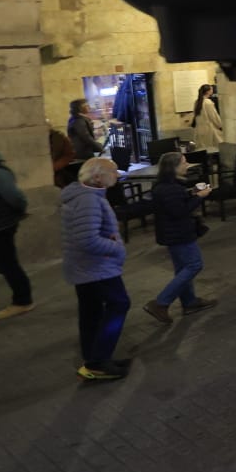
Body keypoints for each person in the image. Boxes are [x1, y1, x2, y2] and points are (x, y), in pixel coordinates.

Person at [61, 157, 130, 381]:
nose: (117, 175)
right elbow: (87, 239)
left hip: (86, 266)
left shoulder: (85, 195)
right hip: (96, 266)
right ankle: (99, 360)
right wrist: (117, 247)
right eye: (113, 171)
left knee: (91, 311)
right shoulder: (88, 200)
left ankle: (94, 359)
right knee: (119, 304)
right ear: (98, 177)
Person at [141, 152, 218, 324]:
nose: (187, 165)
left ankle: (189, 302)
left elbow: (177, 202)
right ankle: (161, 303)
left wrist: (192, 192)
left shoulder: (167, 185)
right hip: (179, 234)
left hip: (173, 233)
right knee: (194, 265)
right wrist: (199, 197)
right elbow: (180, 212)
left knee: (182, 268)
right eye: (184, 162)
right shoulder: (169, 188)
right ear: (174, 167)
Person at [0, 148, 34, 319]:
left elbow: (16, 197)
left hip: (2, 225)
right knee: (5, 263)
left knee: (8, 264)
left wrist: (20, 210)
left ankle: (22, 301)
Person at [189, 84, 223, 148]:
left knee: (203, 148)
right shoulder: (208, 102)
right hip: (209, 130)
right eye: (211, 89)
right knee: (212, 148)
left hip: (199, 129)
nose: (212, 90)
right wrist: (220, 125)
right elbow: (214, 116)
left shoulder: (197, 102)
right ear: (208, 91)